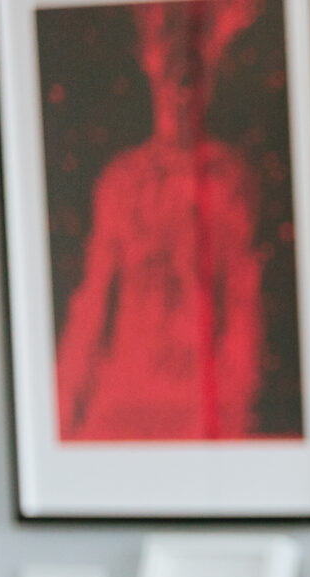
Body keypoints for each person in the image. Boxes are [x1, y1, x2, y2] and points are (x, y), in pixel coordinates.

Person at [54, 0, 274, 442]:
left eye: (192, 76)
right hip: (120, 398)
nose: (182, 92)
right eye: (173, 73)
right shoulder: (122, 181)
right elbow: (92, 306)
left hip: (196, 404)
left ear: (210, 78)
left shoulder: (227, 182)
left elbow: (242, 304)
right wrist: (62, 412)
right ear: (152, 69)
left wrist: (232, 411)